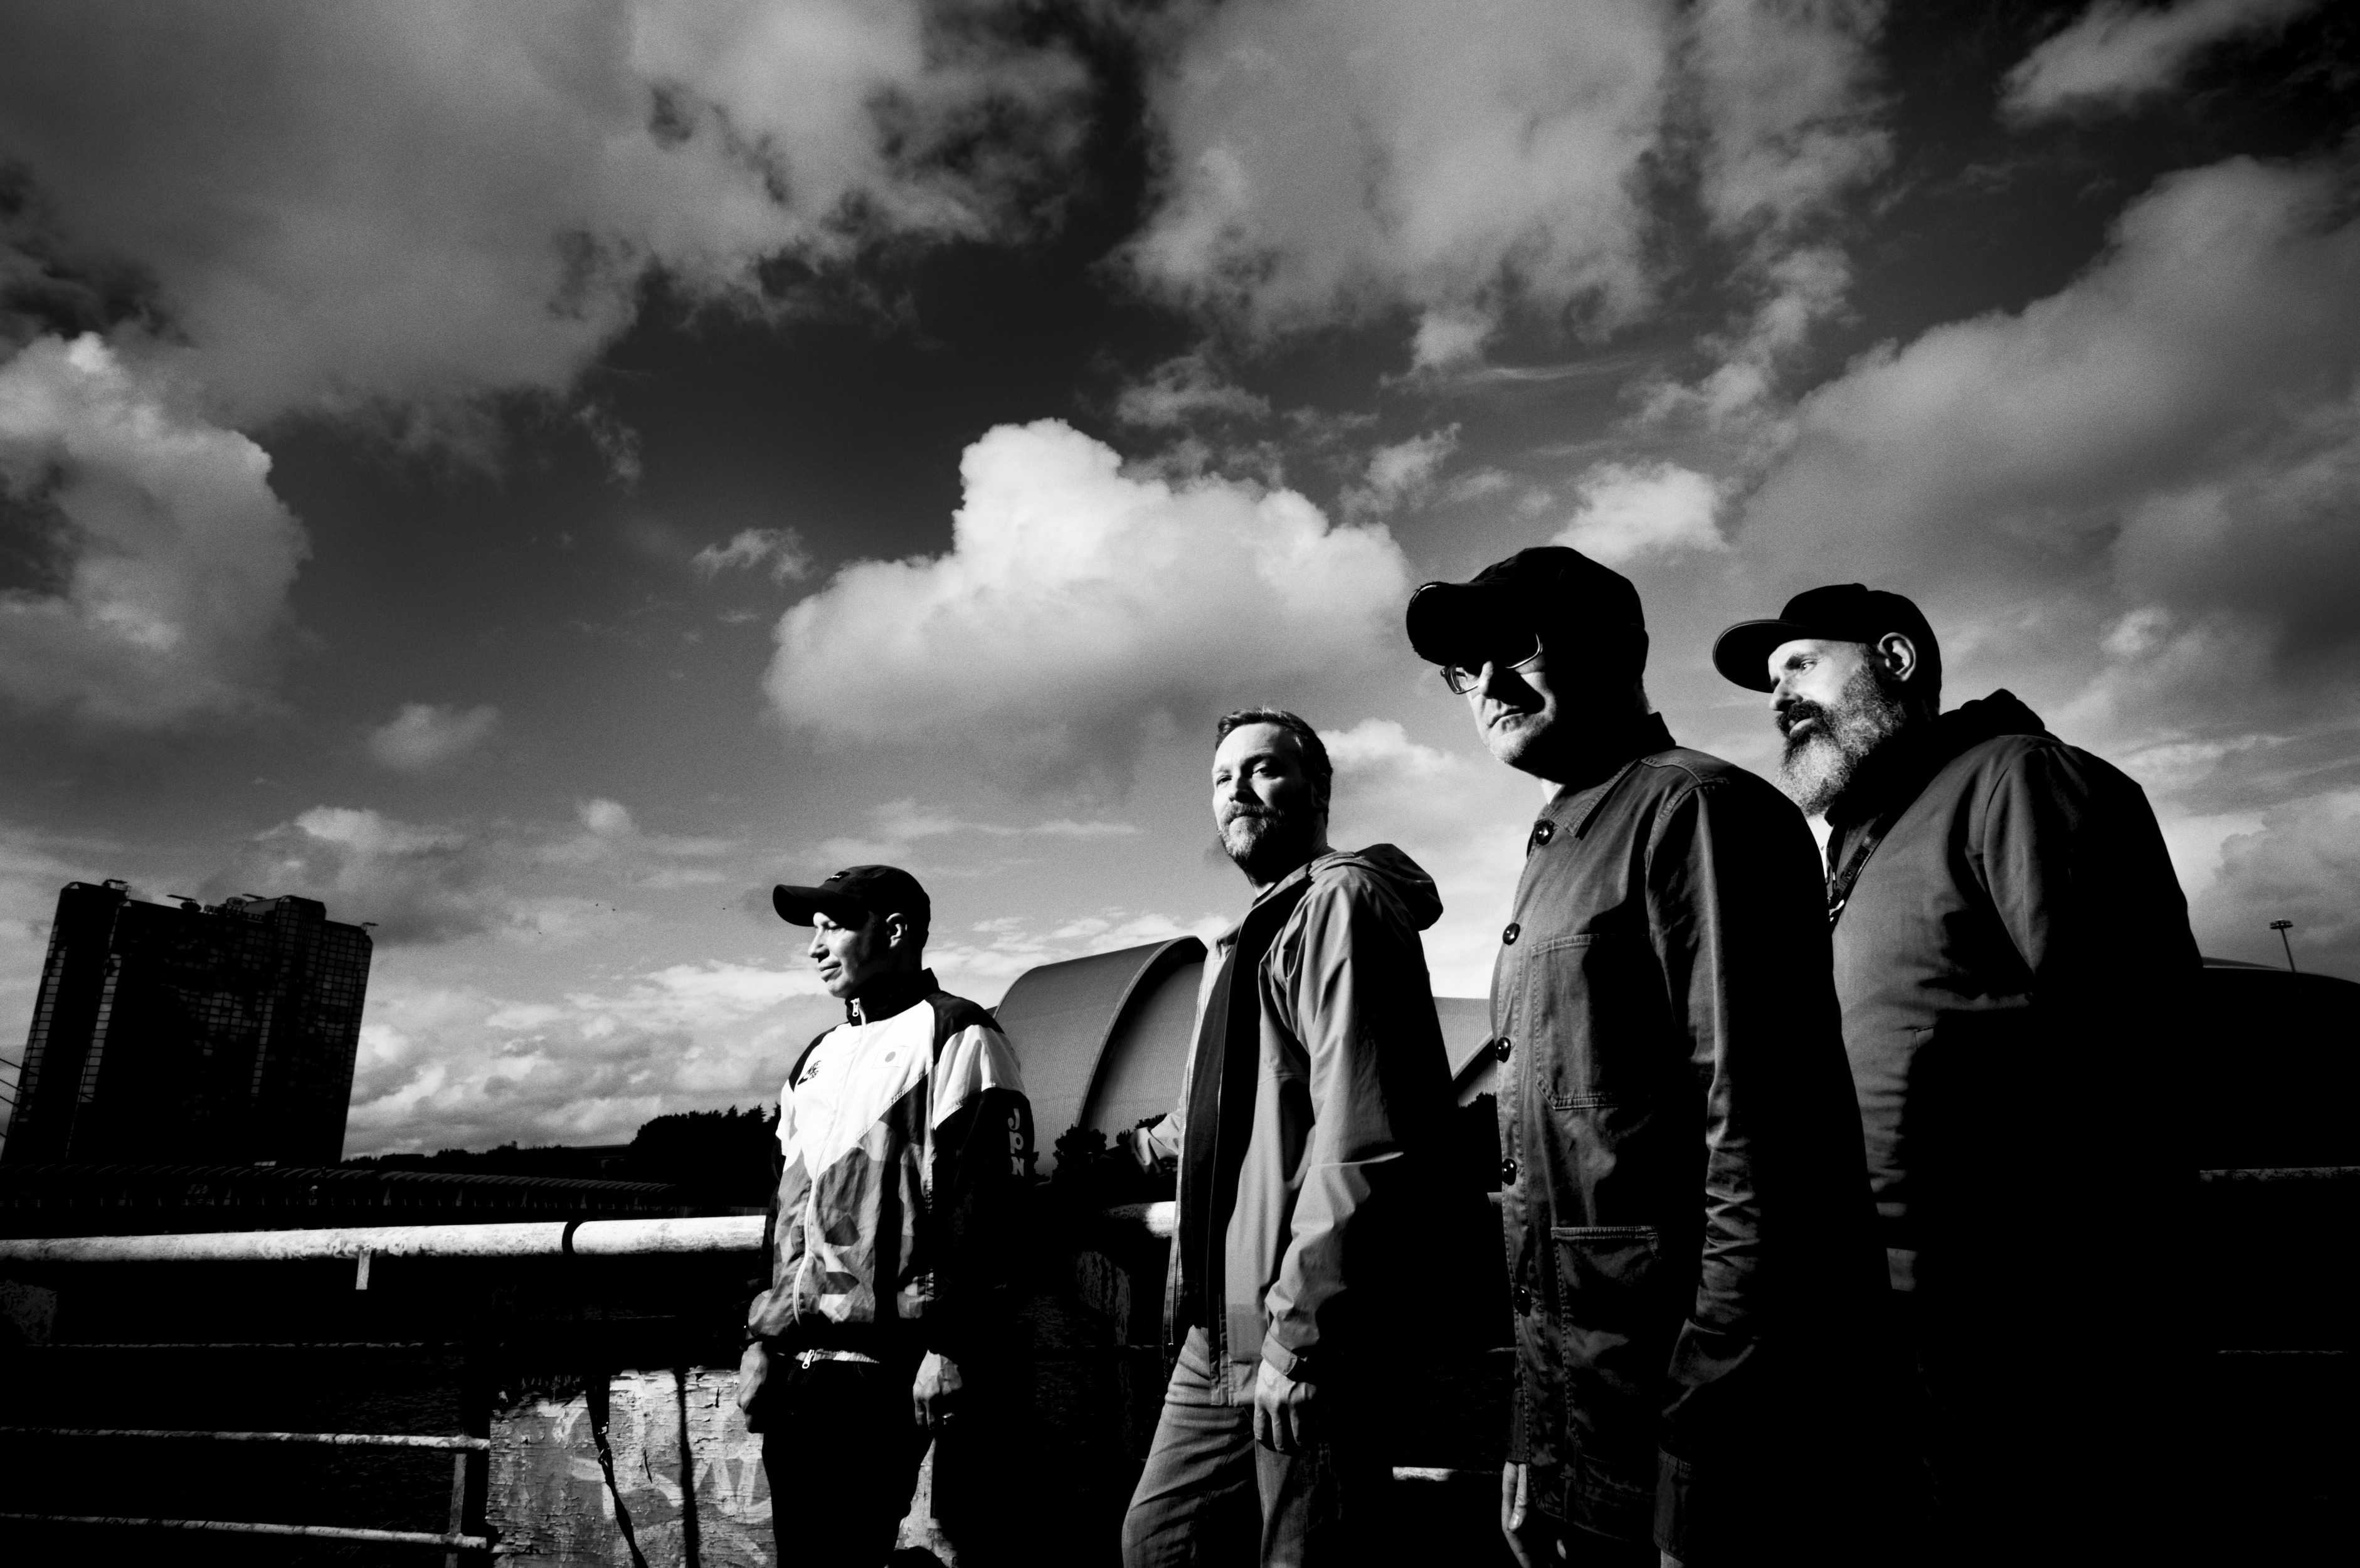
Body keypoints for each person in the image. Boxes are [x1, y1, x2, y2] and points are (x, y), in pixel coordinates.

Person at [1407, 548, 1882, 1568]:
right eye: (1461, 667)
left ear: (1615, 650)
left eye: (1511, 646)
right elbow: (1549, 1179)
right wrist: (1534, 1435)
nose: (1483, 682)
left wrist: (1706, 1449)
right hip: (1587, 1431)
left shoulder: (1697, 812)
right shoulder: (1559, 844)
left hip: (1688, 1445)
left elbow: (1765, 1154)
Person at [1712, 585, 2198, 1564]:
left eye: (1800, 664)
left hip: (2013, 1325)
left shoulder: (2017, 779)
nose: (1778, 698)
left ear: (1892, 660)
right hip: (1882, 1321)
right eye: (1769, 683)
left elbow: (2136, 1045)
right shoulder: (1862, 837)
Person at [1119, 708, 1458, 1568]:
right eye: (1220, 777)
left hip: (1303, 1319)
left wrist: (1301, 1335)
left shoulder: (1337, 905)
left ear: (1317, 789)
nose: (1237, 789)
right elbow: (1236, 1107)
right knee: (1158, 1541)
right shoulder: (1252, 934)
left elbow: (1359, 1135)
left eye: (1263, 769)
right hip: (1225, 1318)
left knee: (1304, 1551)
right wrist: (1131, 1152)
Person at [734, 863, 1034, 1567]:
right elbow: (783, 1214)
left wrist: (951, 1347)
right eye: (812, 930)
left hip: (883, 1371)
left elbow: (991, 1208)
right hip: (798, 1370)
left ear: (895, 931)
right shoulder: (816, 1055)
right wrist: (759, 1340)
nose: (815, 947)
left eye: (834, 926)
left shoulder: (959, 1033)